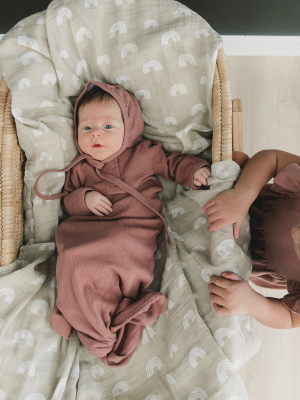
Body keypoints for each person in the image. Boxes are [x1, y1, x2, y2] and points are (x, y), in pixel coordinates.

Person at [34, 81, 211, 367]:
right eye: (87, 128)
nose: (97, 135)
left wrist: (193, 171)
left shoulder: (144, 154)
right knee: (72, 259)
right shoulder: (80, 168)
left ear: (128, 127)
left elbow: (172, 163)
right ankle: (94, 320)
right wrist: (85, 198)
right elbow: (67, 202)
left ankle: (104, 322)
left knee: (120, 259)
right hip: (88, 232)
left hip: (133, 232)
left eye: (108, 127)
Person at [203, 149, 300, 329]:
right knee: (233, 158)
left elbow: (290, 317)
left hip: (249, 258)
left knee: (216, 288)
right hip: (249, 202)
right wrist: (242, 194)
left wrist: (252, 303)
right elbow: (273, 160)